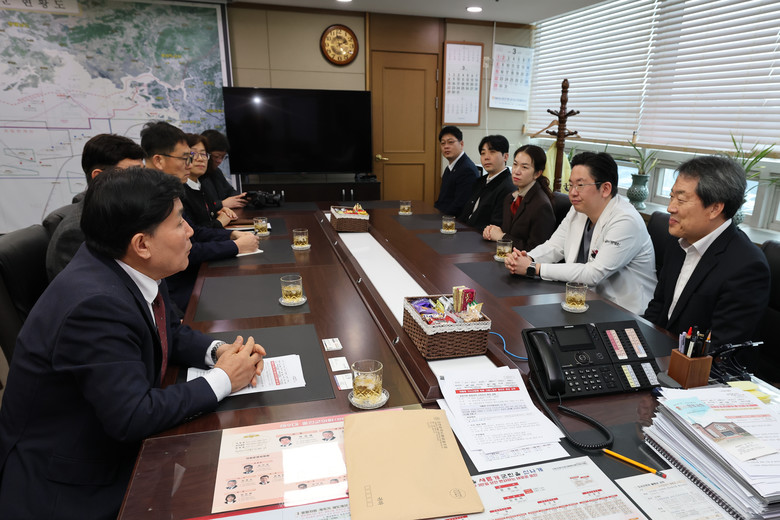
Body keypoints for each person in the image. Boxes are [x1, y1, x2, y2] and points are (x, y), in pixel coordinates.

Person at [0, 168, 266, 519]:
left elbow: (169, 331)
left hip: (109, 444)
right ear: (142, 244)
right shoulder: (95, 305)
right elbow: (132, 416)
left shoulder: (129, 265)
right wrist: (224, 379)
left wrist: (218, 352)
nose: (190, 231)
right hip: (74, 485)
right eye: (179, 223)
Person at [505, 152, 656, 315]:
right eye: (570, 185)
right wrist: (527, 258)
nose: (572, 192)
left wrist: (534, 268)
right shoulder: (578, 209)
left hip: (624, 311)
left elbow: (594, 273)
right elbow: (555, 246)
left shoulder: (626, 220)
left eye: (580, 185)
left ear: (605, 189)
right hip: (584, 301)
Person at [643, 155, 770, 347]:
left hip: (698, 362)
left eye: (681, 200)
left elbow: (720, 348)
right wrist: (639, 345)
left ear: (714, 209)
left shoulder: (747, 267)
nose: (670, 208)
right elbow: (658, 306)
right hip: (661, 348)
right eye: (671, 197)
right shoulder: (679, 241)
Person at [141, 121, 259, 313]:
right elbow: (189, 248)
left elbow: (195, 232)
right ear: (159, 160)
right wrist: (235, 246)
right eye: (185, 158)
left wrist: (230, 235)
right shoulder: (146, 200)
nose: (190, 164)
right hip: (175, 290)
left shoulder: (167, 192)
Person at [45, 133, 145, 281]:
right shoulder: (77, 232)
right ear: (99, 176)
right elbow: (88, 289)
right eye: (133, 173)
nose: (143, 181)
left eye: (143, 172)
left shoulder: (122, 212)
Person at [483, 144, 556, 251]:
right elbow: (508, 233)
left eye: (524, 167)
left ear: (537, 173)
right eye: (515, 164)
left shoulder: (541, 205)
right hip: (505, 255)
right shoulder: (510, 197)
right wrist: (492, 231)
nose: (516, 171)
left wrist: (501, 237)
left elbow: (536, 250)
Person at [458, 135, 515, 231]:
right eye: (483, 153)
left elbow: (495, 226)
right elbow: (466, 213)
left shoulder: (508, 187)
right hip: (464, 232)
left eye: (492, 152)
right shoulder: (480, 181)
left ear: (505, 157)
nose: (486, 157)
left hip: (479, 237)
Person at [182, 133, 237, 228]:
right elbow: (193, 232)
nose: (200, 159)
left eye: (203, 154)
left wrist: (217, 213)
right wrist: (219, 222)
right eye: (193, 154)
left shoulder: (201, 186)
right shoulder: (179, 192)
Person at [434, 126, 480, 217]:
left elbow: (460, 206)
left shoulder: (467, 170)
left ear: (461, 144)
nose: (446, 146)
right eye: (443, 143)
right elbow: (442, 200)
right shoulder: (450, 167)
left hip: (454, 221)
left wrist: (439, 218)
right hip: (443, 217)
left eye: (450, 142)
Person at [202, 129, 247, 210]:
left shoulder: (216, 172)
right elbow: (200, 207)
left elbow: (230, 191)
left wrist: (241, 198)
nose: (220, 161)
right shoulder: (195, 176)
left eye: (223, 157)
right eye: (216, 156)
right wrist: (222, 204)